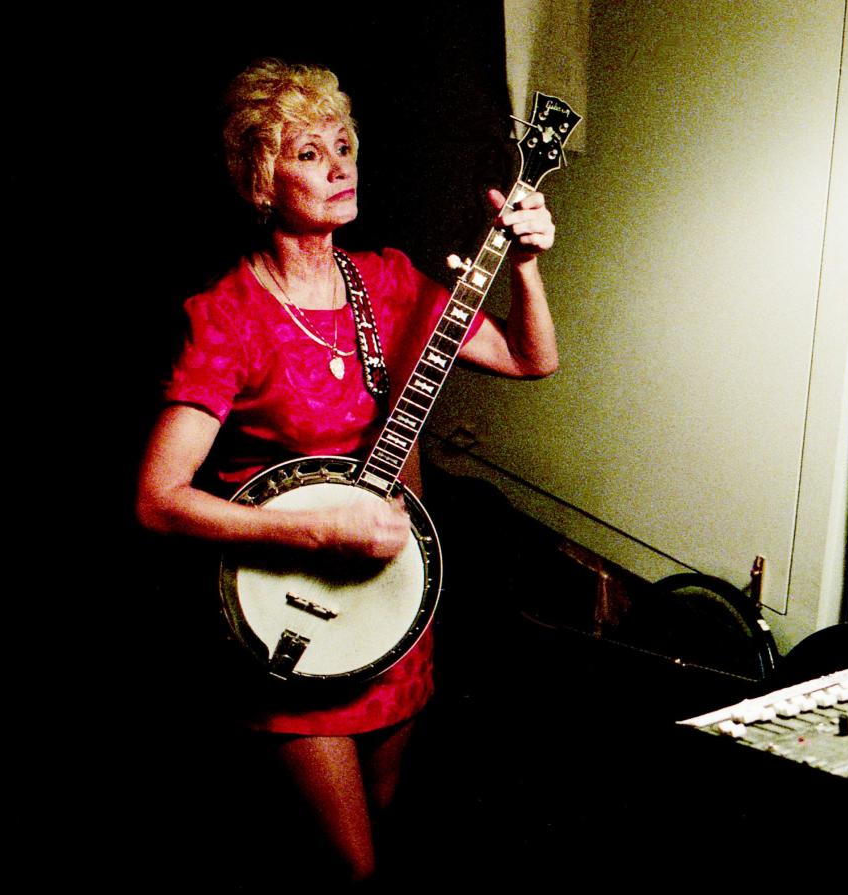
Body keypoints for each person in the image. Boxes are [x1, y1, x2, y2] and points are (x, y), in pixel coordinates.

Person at [136, 59, 557, 883]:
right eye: (308, 153)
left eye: (344, 145)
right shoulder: (228, 316)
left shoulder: (389, 279)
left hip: (391, 606)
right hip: (289, 615)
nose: (339, 167)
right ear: (260, 181)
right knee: (348, 870)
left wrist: (528, 263)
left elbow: (528, 358)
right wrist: (313, 527)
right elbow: (155, 500)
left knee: (387, 828)